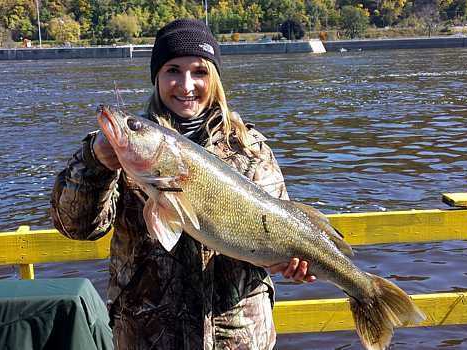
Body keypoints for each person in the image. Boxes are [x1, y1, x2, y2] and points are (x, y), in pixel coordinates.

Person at [50, 19, 314, 349]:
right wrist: (95, 165)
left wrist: (289, 264)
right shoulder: (111, 149)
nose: (185, 84)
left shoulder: (251, 149)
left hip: (238, 339)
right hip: (146, 339)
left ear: (214, 79)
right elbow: (77, 227)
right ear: (157, 77)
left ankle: (366, 294)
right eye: (172, 70)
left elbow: (278, 226)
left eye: (199, 72)